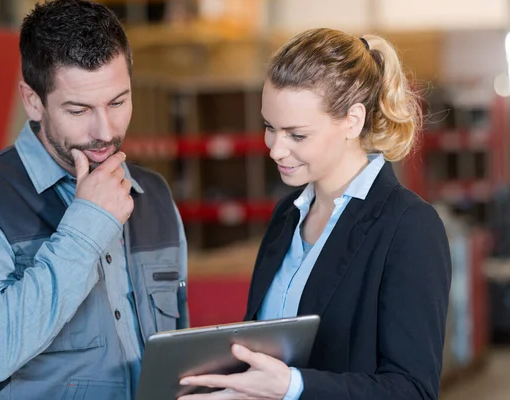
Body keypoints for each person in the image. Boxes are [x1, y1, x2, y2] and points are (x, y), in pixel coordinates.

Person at [178, 28, 451, 400]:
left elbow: (413, 390)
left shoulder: (408, 227)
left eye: (297, 135)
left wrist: (294, 386)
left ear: (352, 121)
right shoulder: (286, 216)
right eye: (269, 128)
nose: (275, 149)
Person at [0, 1, 188, 399]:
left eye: (118, 102)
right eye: (79, 109)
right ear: (33, 101)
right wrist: (86, 227)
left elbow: (176, 352)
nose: (105, 130)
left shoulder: (154, 193)